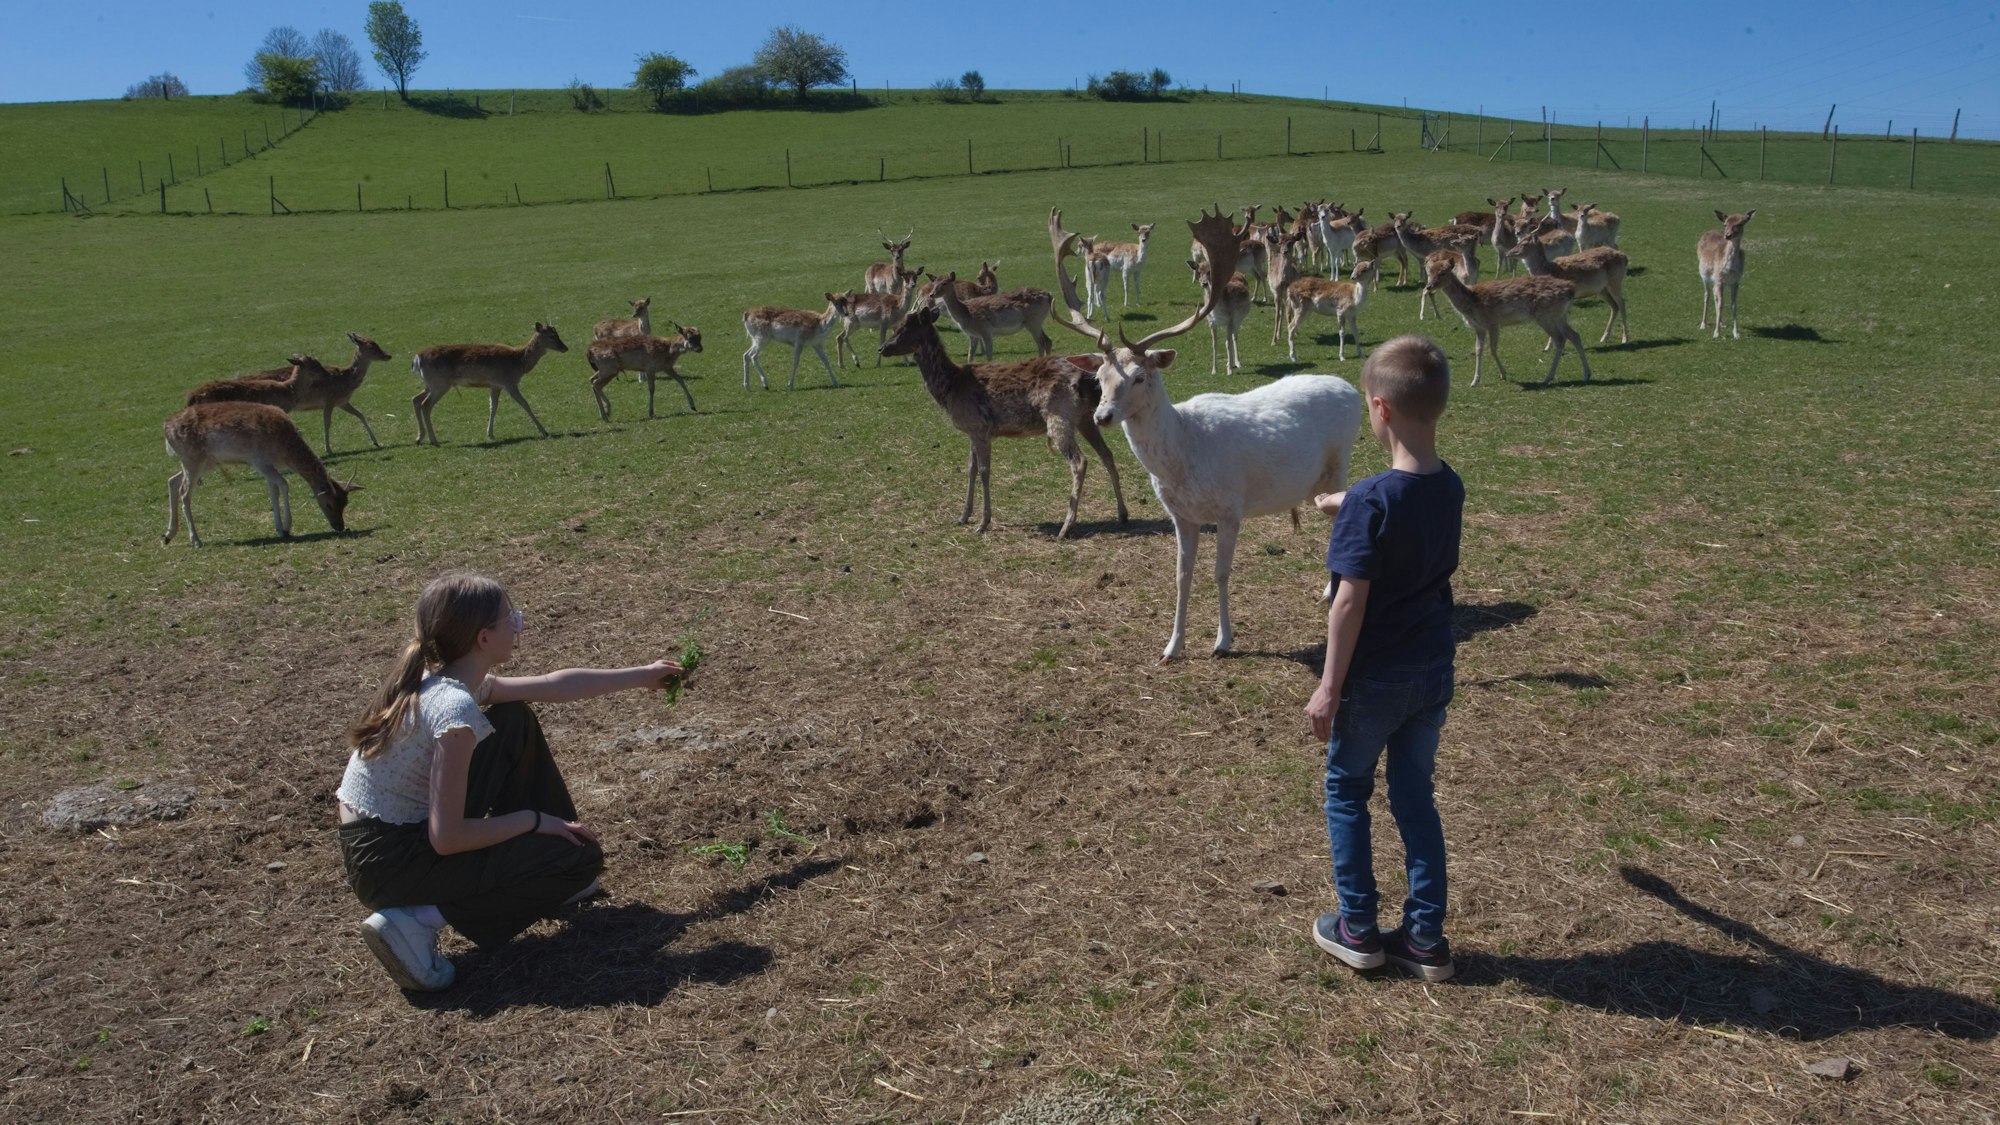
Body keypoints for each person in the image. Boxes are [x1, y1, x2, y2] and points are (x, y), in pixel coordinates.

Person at [336, 572, 683, 991]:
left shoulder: (440, 681)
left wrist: (642, 675)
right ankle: (417, 920)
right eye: (511, 619)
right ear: (484, 638)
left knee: (512, 719)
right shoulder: (454, 709)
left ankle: (558, 860)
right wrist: (533, 821)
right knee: (581, 857)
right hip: (391, 866)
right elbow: (447, 838)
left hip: (383, 843)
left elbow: (554, 685)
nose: (518, 627)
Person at [1304, 335, 1463, 982]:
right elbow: (1404, 508)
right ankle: (1424, 937)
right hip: (1432, 670)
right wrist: (1351, 505)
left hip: (1374, 680)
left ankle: (1359, 928)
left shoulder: (1371, 500)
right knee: (1414, 795)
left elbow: (1348, 604)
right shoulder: (1449, 485)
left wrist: (1327, 687)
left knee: (1347, 789)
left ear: (1380, 408)